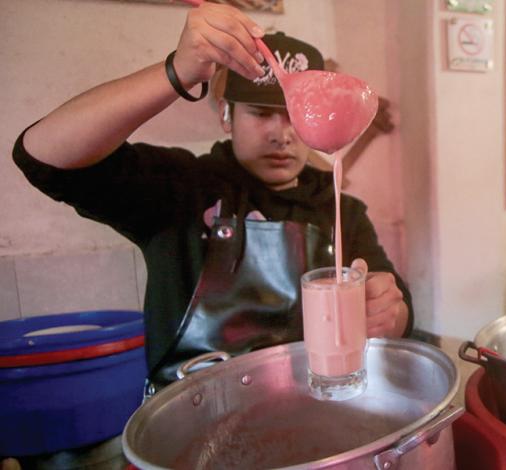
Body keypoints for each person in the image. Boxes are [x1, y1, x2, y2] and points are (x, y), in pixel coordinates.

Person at [12, 3, 411, 392]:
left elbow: (395, 298)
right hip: (191, 421)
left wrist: (391, 311)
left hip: (306, 412)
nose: (281, 133)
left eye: (293, 112)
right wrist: (177, 72)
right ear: (226, 115)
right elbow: (44, 157)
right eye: (260, 112)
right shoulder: (182, 188)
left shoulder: (339, 208)